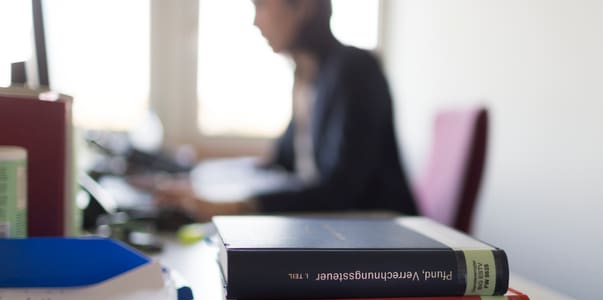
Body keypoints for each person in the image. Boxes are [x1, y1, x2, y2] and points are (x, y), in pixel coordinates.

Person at [150, 0, 417, 220]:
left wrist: (238, 205)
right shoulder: (306, 77)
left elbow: (341, 190)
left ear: (303, 7)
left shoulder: (355, 70)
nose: (256, 21)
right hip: (334, 223)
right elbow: (280, 160)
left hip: (379, 229)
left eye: (262, 6)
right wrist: (199, 181)